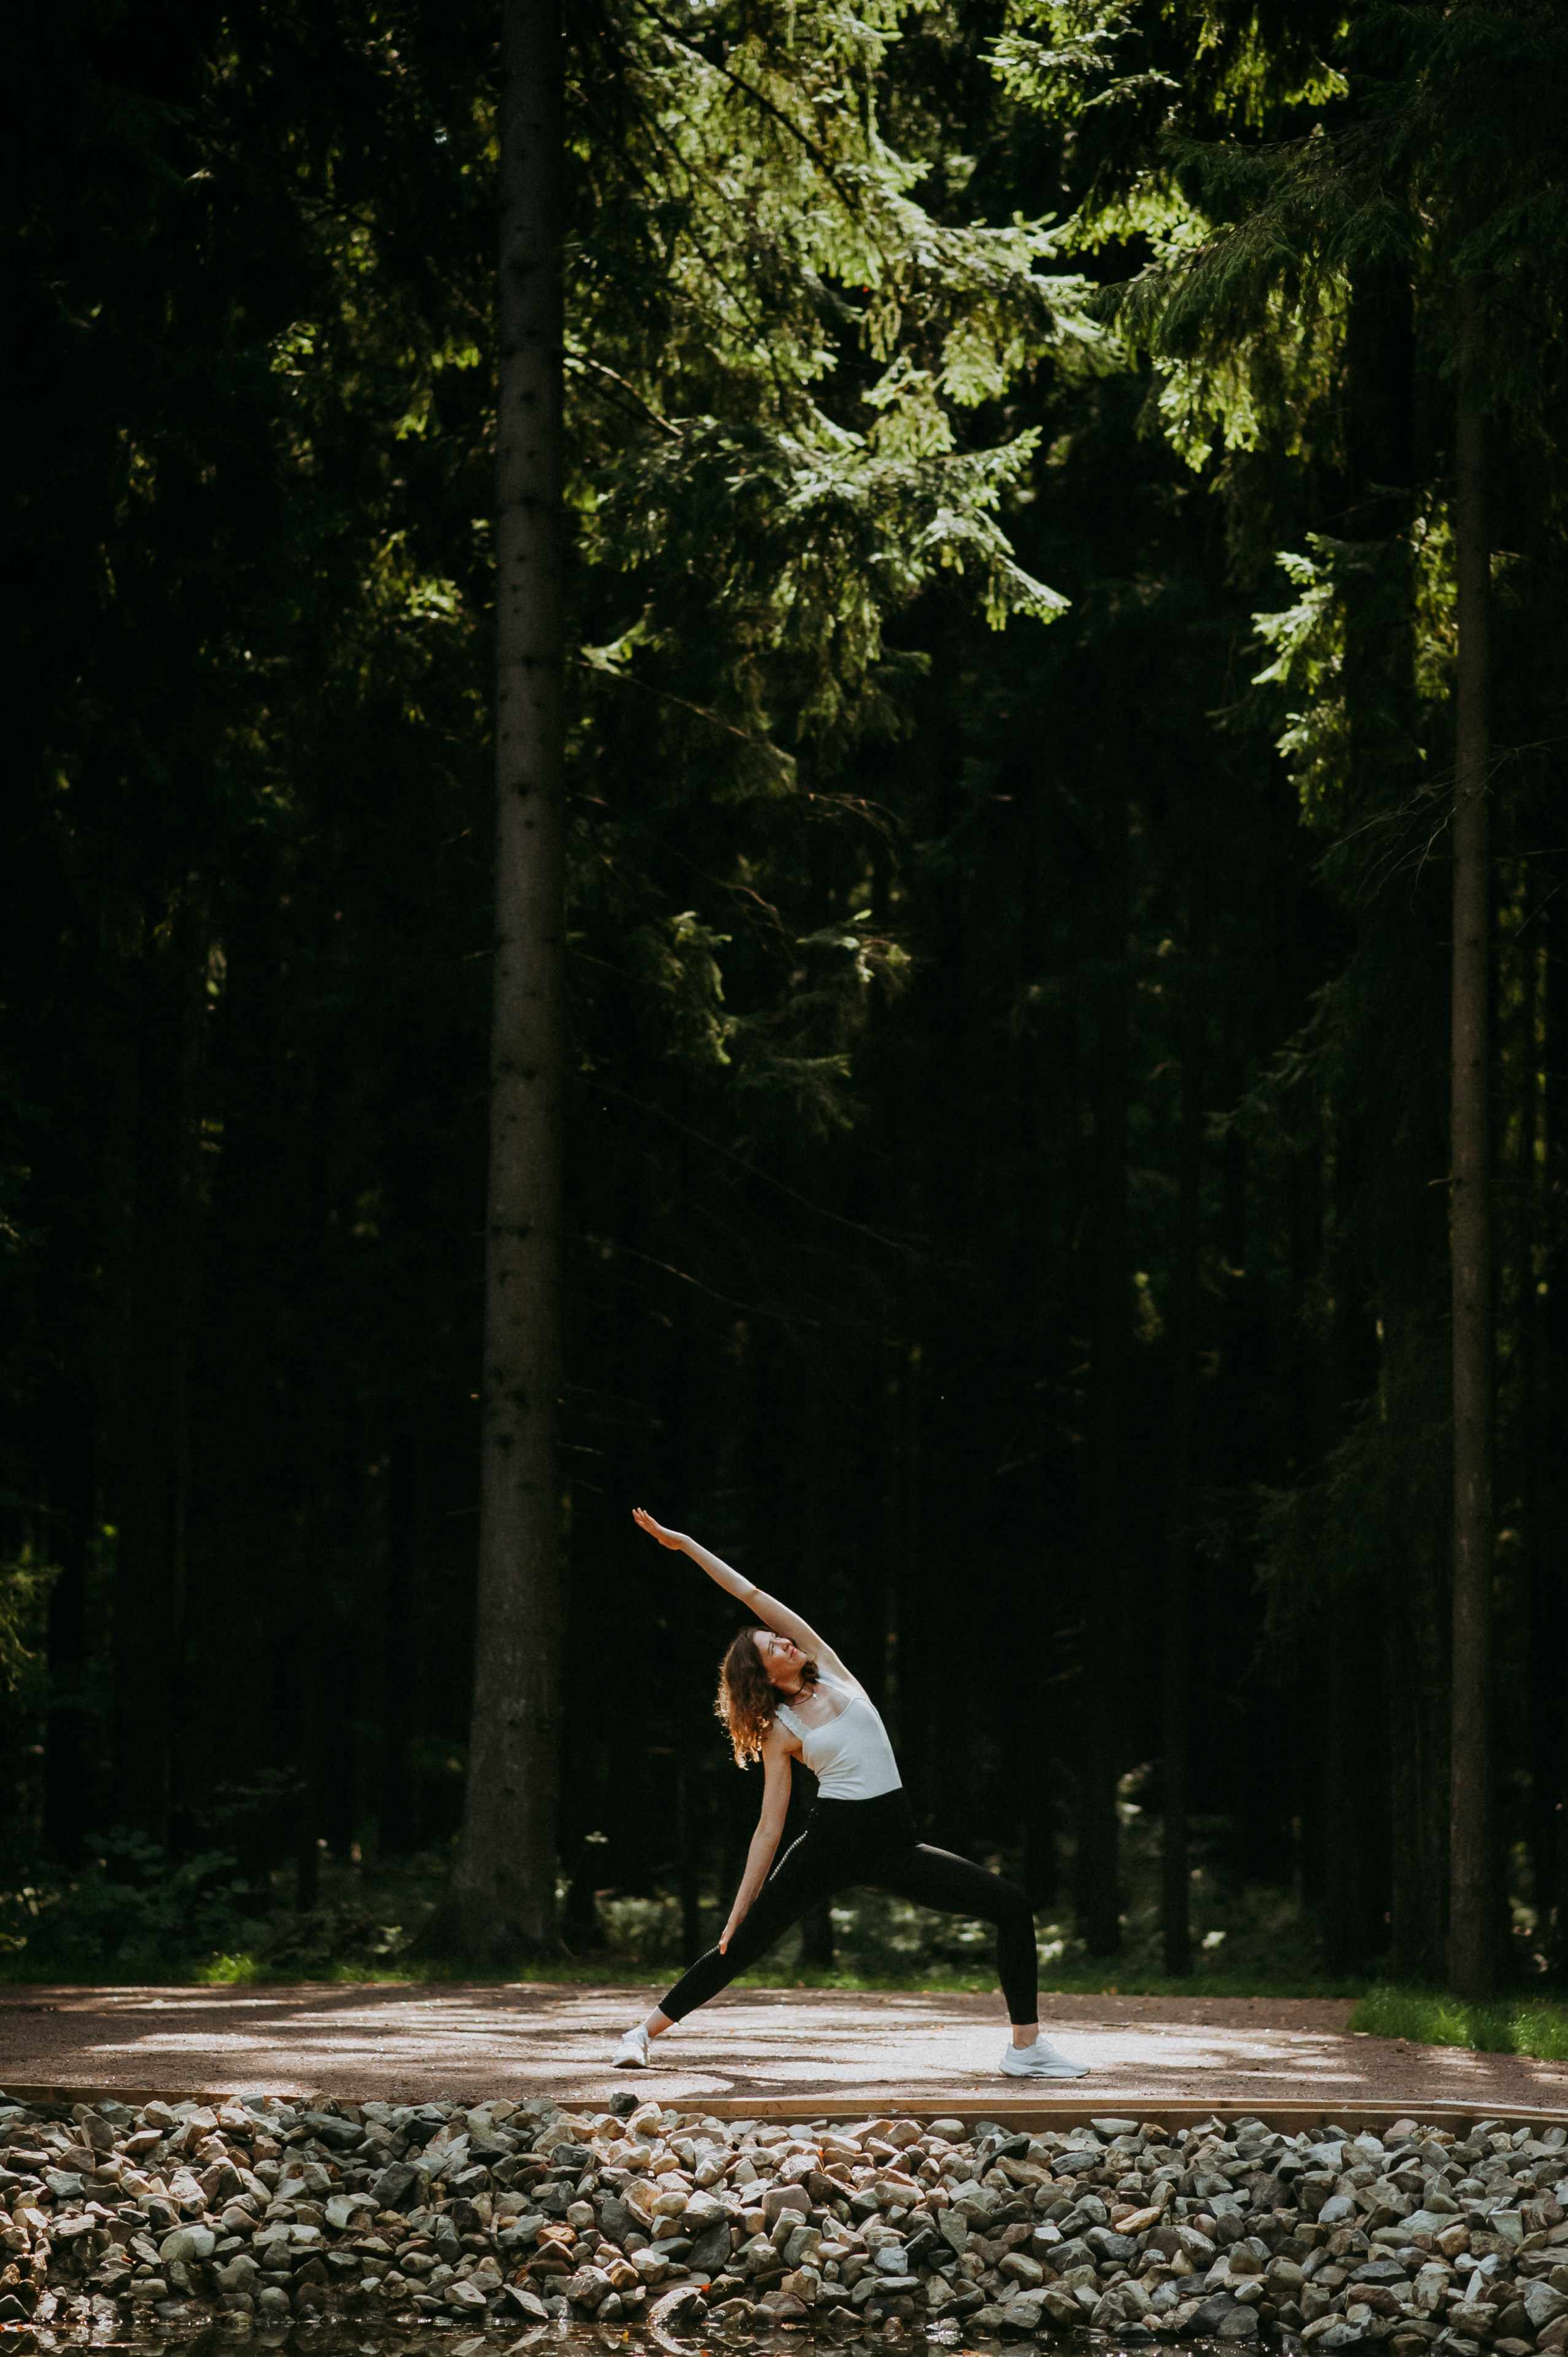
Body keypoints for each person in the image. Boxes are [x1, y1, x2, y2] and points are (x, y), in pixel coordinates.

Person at [611, 1510, 1089, 2079]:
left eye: (781, 1637)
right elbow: (769, 1825)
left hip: (894, 1844)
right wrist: (741, 1906)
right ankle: (642, 2033)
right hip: (831, 1845)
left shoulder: (833, 1672)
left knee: (1010, 1905)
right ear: (762, 1675)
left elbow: (751, 1592)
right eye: (773, 1646)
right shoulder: (782, 1732)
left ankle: (1025, 2048)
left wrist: (686, 1544)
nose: (786, 1641)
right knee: (740, 1947)